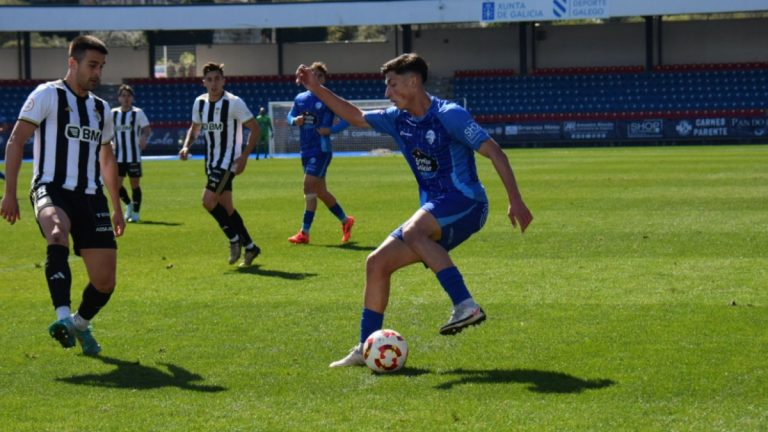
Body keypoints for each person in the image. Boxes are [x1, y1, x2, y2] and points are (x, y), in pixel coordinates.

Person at [294, 53, 534, 368]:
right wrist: (316, 89)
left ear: (413, 82)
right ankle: (367, 347)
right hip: (434, 208)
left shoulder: (451, 115)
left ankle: (466, 305)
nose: (387, 93)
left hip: (467, 202)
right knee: (376, 262)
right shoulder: (397, 118)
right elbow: (354, 116)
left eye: (392, 85)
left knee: (413, 230)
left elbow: (496, 153)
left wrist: (515, 200)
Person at [0, 35, 125, 356]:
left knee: (105, 281)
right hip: (51, 188)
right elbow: (16, 141)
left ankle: (79, 325)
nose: (97, 73)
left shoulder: (101, 109)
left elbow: (107, 159)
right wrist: (9, 193)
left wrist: (116, 206)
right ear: (73, 63)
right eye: (92, 65)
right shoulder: (48, 95)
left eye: (101, 66)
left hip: (91, 196)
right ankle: (61, 316)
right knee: (56, 231)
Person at [179, 62, 261, 267]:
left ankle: (234, 240)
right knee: (227, 207)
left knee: (207, 201)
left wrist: (244, 157)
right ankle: (250, 247)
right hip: (211, 163)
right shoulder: (199, 103)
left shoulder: (234, 103)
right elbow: (195, 128)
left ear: (223, 80)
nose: (214, 83)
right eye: (209, 79)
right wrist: (187, 147)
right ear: (203, 82)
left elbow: (255, 128)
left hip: (227, 162)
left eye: (217, 79)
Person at [286, 61, 354, 245]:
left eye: (318, 75)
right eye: (312, 74)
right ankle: (346, 221)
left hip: (321, 149)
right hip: (305, 149)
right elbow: (290, 116)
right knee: (321, 191)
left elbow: (348, 119)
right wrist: (295, 121)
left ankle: (304, 232)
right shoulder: (300, 98)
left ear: (323, 79)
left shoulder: (328, 98)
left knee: (308, 186)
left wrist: (331, 130)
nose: (314, 78)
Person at [112, 84, 151, 223]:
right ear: (119, 98)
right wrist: (109, 143)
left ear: (132, 98)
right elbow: (107, 131)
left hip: (133, 155)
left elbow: (147, 129)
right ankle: (128, 204)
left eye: (128, 95)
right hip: (118, 156)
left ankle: (135, 212)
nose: (126, 98)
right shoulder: (113, 113)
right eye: (123, 95)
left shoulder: (138, 113)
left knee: (135, 184)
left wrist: (143, 138)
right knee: (116, 185)